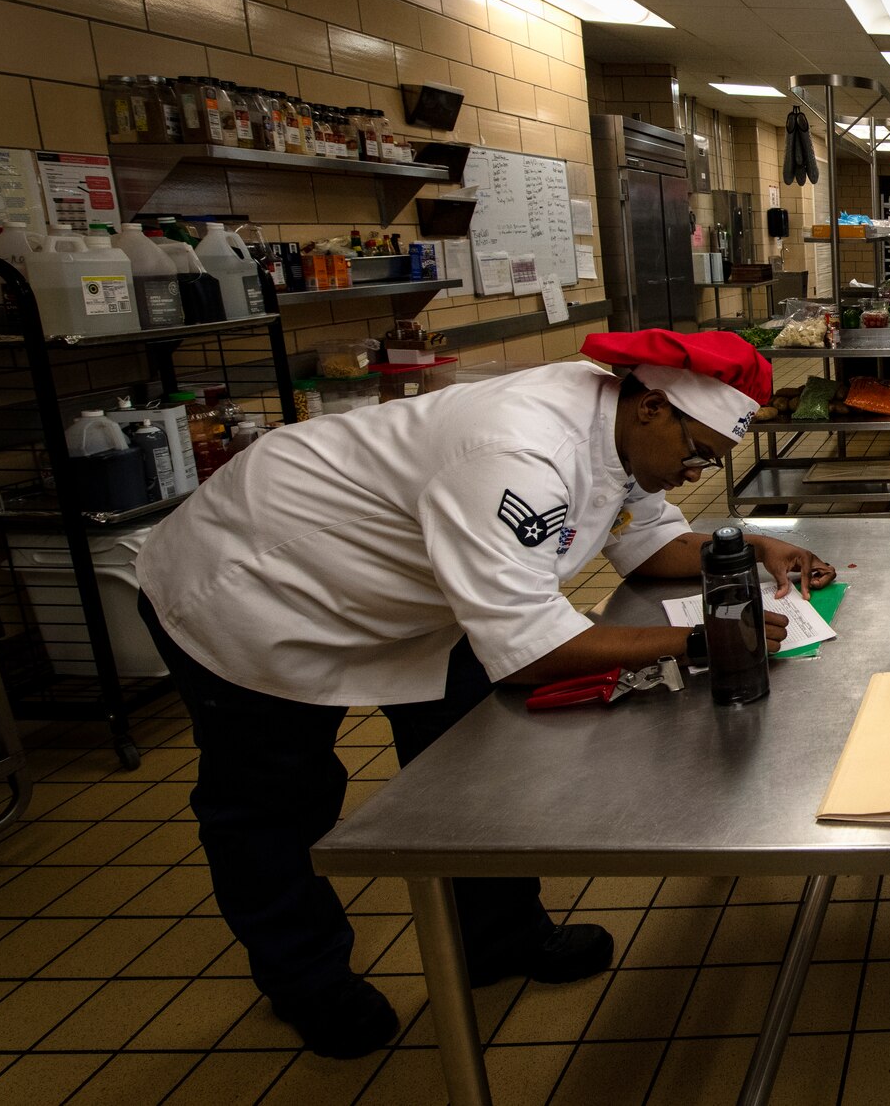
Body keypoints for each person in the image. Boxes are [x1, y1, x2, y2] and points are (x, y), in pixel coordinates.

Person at [135, 329, 835, 1060]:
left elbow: (648, 544)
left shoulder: (624, 429)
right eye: (697, 454)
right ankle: (306, 978)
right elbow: (533, 650)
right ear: (655, 406)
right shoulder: (522, 451)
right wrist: (700, 642)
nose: (694, 474)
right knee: (277, 798)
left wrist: (750, 547)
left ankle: (499, 936)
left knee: (473, 765)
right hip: (256, 582)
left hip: (412, 596)